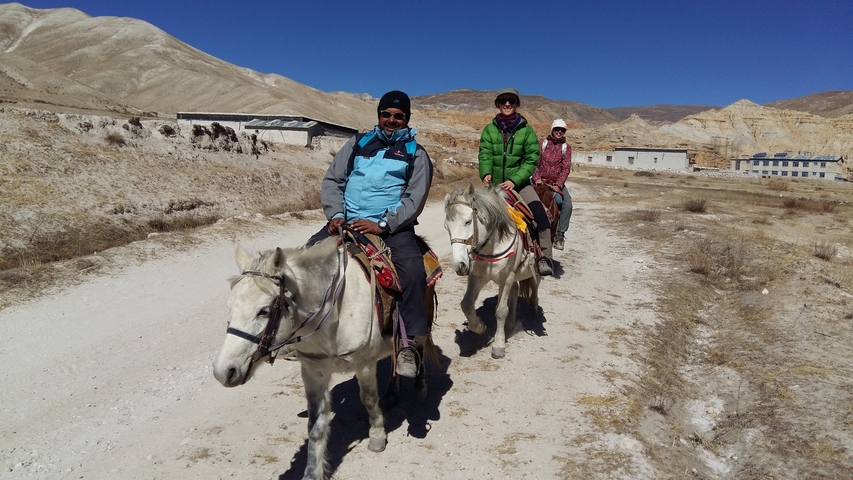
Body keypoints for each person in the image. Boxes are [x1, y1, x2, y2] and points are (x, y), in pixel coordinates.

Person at [306, 90, 434, 378]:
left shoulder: (416, 153)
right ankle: (302, 330)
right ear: (378, 115)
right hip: (345, 222)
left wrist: (384, 225)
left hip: (391, 228)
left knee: (413, 272)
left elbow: (415, 197)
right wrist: (336, 214)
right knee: (303, 261)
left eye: (398, 116)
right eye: (386, 114)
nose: (391, 120)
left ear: (407, 119)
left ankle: (410, 345)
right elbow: (333, 180)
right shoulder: (358, 143)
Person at [478, 87, 553, 276]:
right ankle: (474, 254)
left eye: (511, 100)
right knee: (473, 215)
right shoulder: (489, 129)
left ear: (517, 104)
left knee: (540, 216)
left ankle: (544, 257)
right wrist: (486, 173)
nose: (507, 104)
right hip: (494, 185)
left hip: (519, 185)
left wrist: (514, 180)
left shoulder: (526, 130)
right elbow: (485, 153)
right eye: (503, 101)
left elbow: (531, 159)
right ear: (498, 104)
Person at [533, 119, 573, 251]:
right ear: (552, 130)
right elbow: (534, 163)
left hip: (556, 183)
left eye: (562, 130)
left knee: (566, 205)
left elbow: (566, 168)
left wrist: (559, 184)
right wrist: (537, 177)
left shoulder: (566, 148)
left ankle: (560, 235)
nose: (559, 132)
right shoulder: (542, 144)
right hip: (540, 181)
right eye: (557, 129)